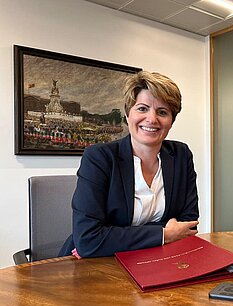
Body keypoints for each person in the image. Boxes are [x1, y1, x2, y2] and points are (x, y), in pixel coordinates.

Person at [59, 71, 199, 258]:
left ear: (171, 121)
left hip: (157, 260)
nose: (151, 119)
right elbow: (88, 239)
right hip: (96, 266)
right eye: (142, 108)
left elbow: (187, 226)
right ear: (127, 114)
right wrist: (164, 233)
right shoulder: (100, 158)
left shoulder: (181, 155)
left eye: (162, 112)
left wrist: (114, 234)